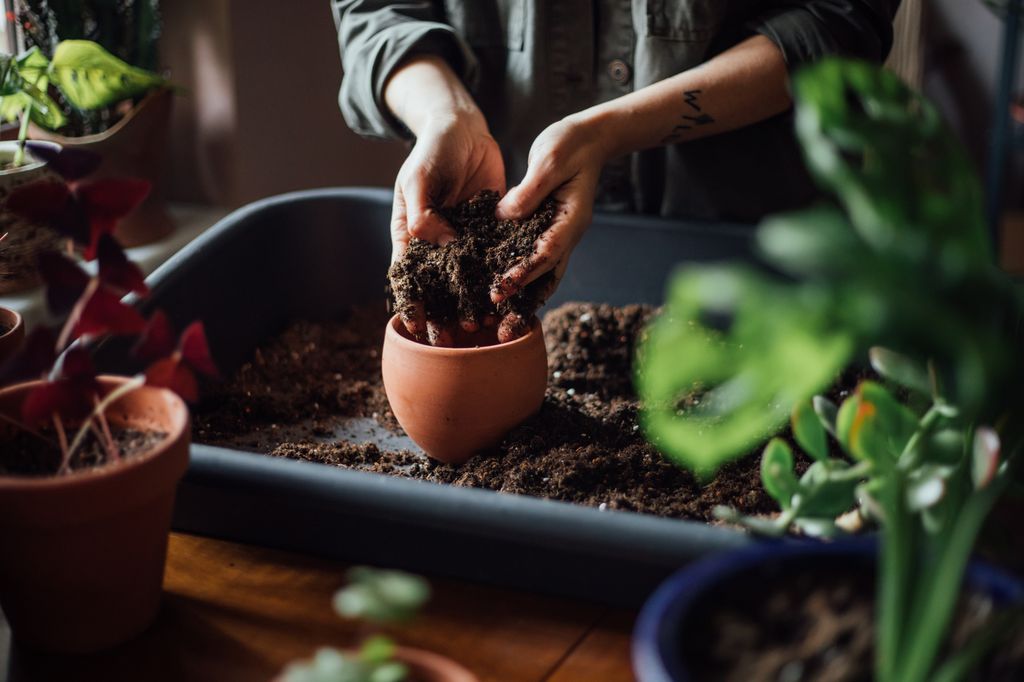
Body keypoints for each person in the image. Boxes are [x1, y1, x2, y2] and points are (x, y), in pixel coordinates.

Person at [332, 0, 898, 344]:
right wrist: (444, 113)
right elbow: (376, 11)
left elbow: (838, 20)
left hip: (755, 252)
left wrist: (611, 131)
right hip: (506, 194)